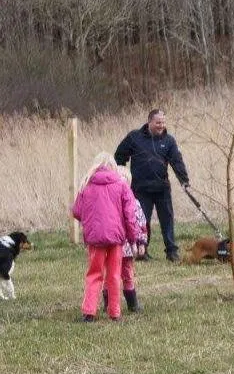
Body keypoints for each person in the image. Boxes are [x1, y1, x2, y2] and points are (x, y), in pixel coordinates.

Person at [72, 152, 142, 322]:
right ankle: (114, 313)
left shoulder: (86, 184)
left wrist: (91, 221)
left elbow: (77, 211)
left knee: (94, 274)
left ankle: (89, 312)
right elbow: (130, 215)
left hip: (95, 239)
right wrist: (133, 239)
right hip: (116, 238)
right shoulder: (121, 184)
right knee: (114, 275)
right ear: (113, 166)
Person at [115, 109, 190, 262]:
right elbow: (119, 155)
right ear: (149, 122)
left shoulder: (169, 141)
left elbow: (177, 161)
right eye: (158, 122)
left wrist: (184, 181)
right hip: (140, 189)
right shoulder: (134, 137)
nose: (161, 125)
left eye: (163, 122)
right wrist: (122, 176)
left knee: (167, 220)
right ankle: (142, 251)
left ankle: (171, 251)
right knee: (142, 221)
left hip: (162, 188)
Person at [107, 166, 148, 313]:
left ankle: (132, 303)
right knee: (110, 275)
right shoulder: (110, 203)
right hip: (113, 246)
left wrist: (141, 242)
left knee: (128, 274)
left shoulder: (135, 203)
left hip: (129, 248)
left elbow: (141, 223)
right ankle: (108, 302)